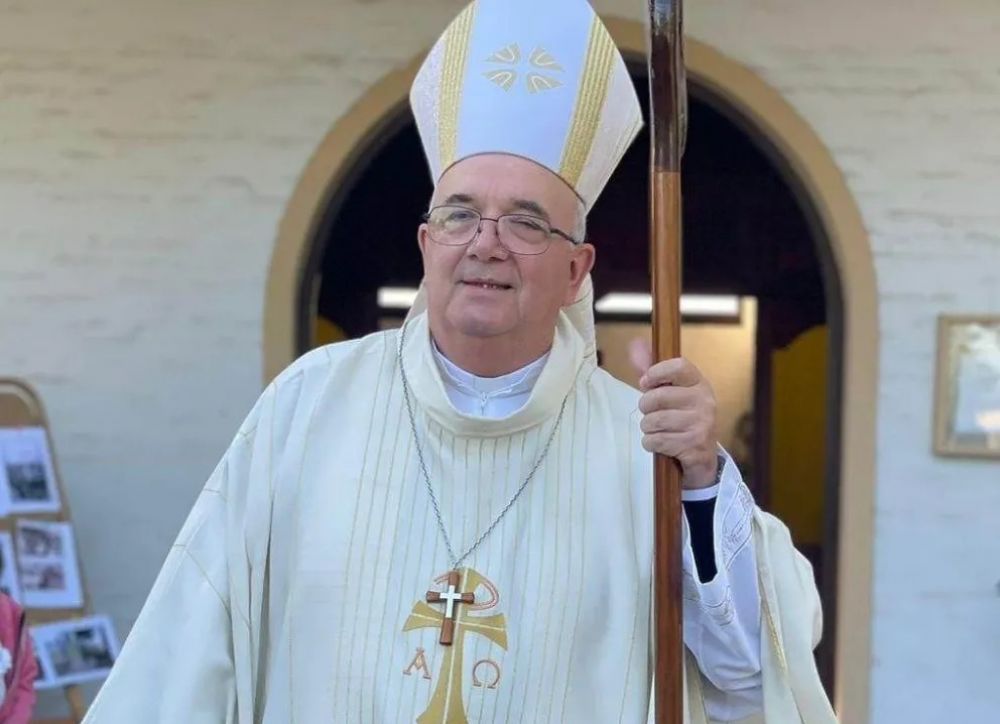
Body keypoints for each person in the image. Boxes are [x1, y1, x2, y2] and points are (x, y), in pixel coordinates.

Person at [84, 0, 835, 721]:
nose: (486, 243)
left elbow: (748, 675)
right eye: (461, 214)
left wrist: (699, 478)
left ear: (578, 272)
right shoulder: (308, 407)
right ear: (425, 245)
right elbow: (188, 647)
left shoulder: (641, 449)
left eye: (527, 223)